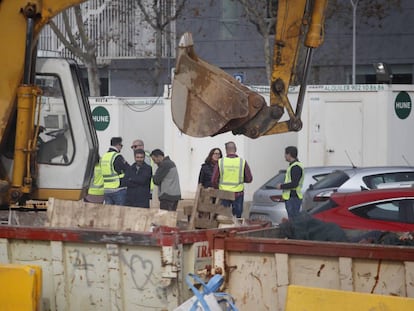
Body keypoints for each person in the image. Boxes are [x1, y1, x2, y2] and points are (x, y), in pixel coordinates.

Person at [212, 141, 252, 218]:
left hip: (224, 194)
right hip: (238, 194)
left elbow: (214, 180)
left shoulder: (221, 162)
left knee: (224, 217)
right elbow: (249, 179)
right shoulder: (242, 162)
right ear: (236, 149)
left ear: (226, 150)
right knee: (237, 217)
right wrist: (240, 179)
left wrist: (218, 188)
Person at [276, 146, 304, 220]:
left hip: (293, 197)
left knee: (293, 219)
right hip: (291, 197)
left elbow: (294, 183)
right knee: (293, 219)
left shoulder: (295, 167)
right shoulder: (293, 166)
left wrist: (281, 186)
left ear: (289, 154)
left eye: (285, 154)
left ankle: (295, 231)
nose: (284, 156)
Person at [101, 137, 129, 205]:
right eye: (121, 146)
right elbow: (127, 169)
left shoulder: (104, 156)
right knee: (120, 213)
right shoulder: (117, 156)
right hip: (117, 189)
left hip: (106, 189)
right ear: (118, 145)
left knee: (109, 213)